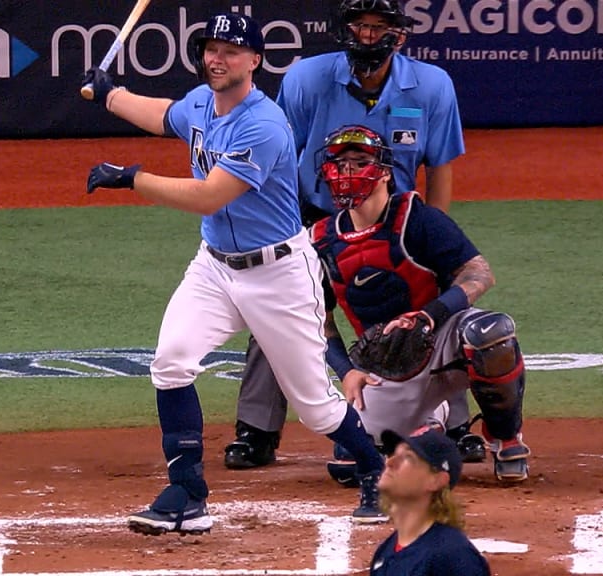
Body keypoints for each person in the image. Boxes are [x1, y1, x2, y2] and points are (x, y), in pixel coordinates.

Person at [81, 14, 390, 534]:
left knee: (315, 407)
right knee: (172, 360)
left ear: (254, 61)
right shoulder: (203, 102)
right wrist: (112, 95)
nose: (215, 59)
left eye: (229, 50)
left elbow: (210, 194)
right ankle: (186, 493)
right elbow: (166, 115)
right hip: (215, 267)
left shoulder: (264, 124)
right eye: (209, 49)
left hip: (278, 276)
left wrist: (132, 177)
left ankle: (375, 469)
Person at [223, 0, 482, 475]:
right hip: (311, 212)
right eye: (358, 25)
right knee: (280, 306)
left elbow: (439, 168)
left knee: (436, 305)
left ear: (397, 34)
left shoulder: (430, 86)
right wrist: (285, 231)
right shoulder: (306, 80)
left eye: (377, 26)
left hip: (398, 217)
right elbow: (281, 154)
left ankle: (457, 423)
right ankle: (256, 429)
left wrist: (430, 238)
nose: (365, 35)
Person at [308, 124, 531, 484]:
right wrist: (346, 370)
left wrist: (429, 316)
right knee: (353, 465)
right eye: (340, 163)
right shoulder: (319, 241)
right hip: (384, 364)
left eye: (359, 161)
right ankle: (425, 425)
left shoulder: (418, 219)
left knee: (492, 334)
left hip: (443, 341)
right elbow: (318, 320)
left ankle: (505, 435)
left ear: (382, 171)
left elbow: (479, 274)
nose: (347, 171)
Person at [370, 426, 491, 575]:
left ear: (436, 481)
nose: (389, 462)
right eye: (393, 454)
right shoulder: (385, 552)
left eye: (408, 457)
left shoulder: (452, 557)